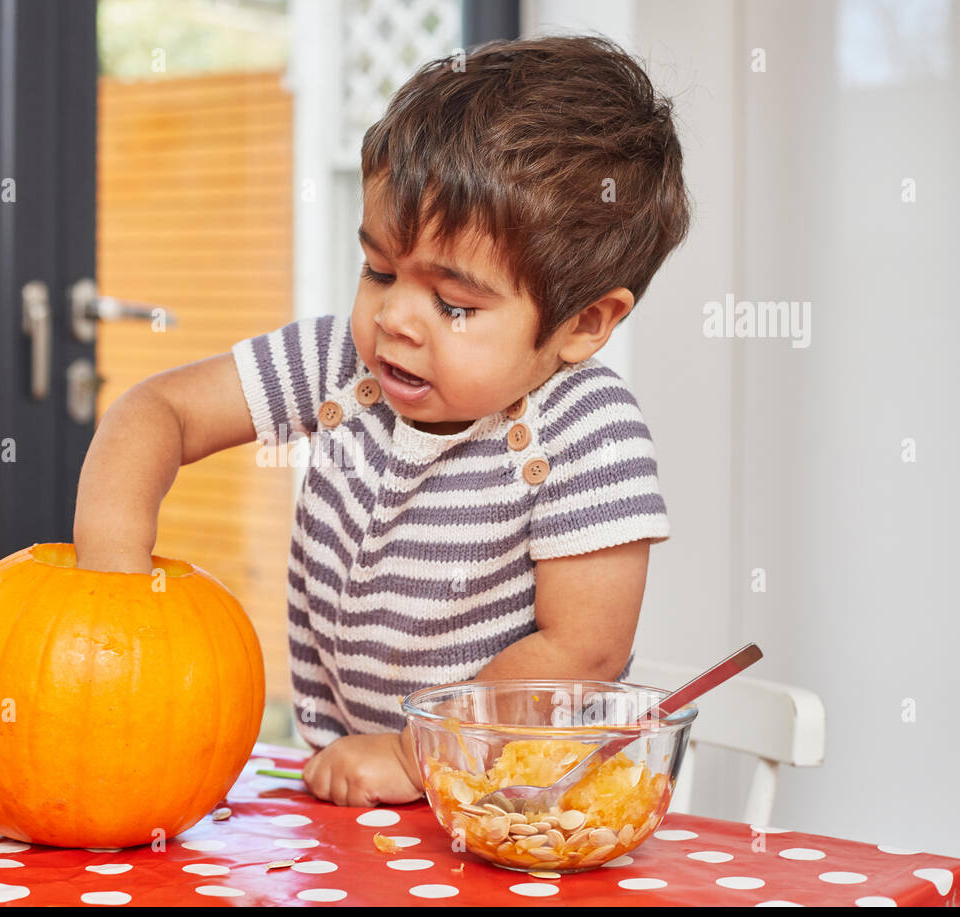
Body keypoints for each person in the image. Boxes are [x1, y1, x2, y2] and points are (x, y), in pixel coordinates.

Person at [73, 33, 692, 807]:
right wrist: (110, 576)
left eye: (454, 304)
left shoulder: (588, 431)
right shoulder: (341, 364)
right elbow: (158, 411)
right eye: (380, 270)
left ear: (584, 323)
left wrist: (415, 753)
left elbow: (582, 650)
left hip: (524, 809)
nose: (395, 317)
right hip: (362, 800)